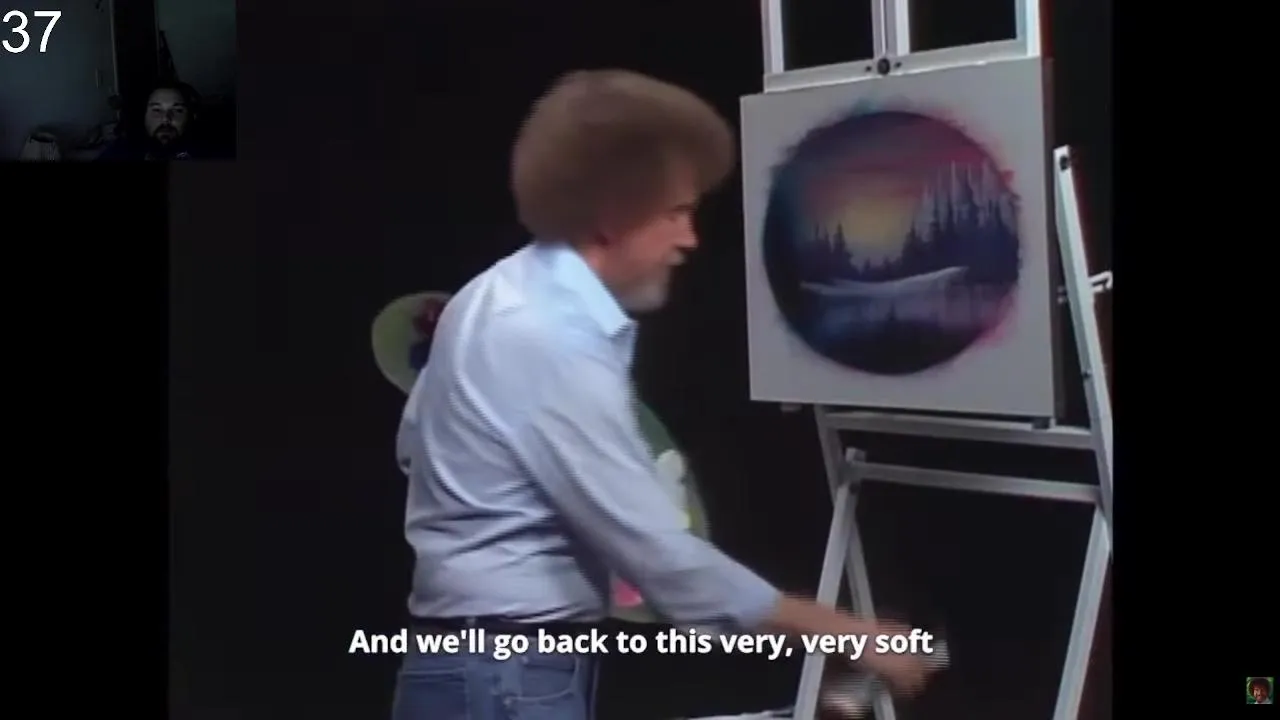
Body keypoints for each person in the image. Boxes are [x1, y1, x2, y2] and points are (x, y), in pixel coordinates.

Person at [390, 69, 935, 720]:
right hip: (506, 676)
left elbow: (414, 445)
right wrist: (851, 634)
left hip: (470, 666)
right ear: (610, 218)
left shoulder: (492, 295)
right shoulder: (550, 338)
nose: (689, 239)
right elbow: (669, 567)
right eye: (675, 214)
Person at [97, 81, 202, 161]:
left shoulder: (205, 151)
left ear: (192, 116)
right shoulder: (123, 149)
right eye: (157, 110)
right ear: (145, 115)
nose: (165, 119)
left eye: (177, 110)